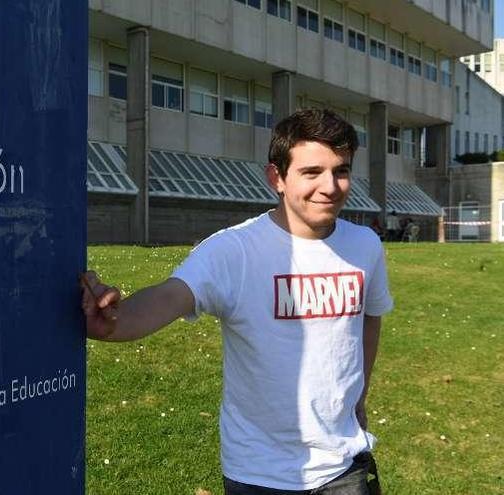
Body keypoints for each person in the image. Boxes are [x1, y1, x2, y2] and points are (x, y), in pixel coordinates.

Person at [81, 109, 393, 494]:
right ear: (276, 178)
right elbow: (171, 295)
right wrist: (115, 321)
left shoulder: (365, 245)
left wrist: (359, 398)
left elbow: (369, 320)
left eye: (341, 170)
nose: (330, 186)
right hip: (258, 472)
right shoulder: (234, 251)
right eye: (311, 172)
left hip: (344, 464)